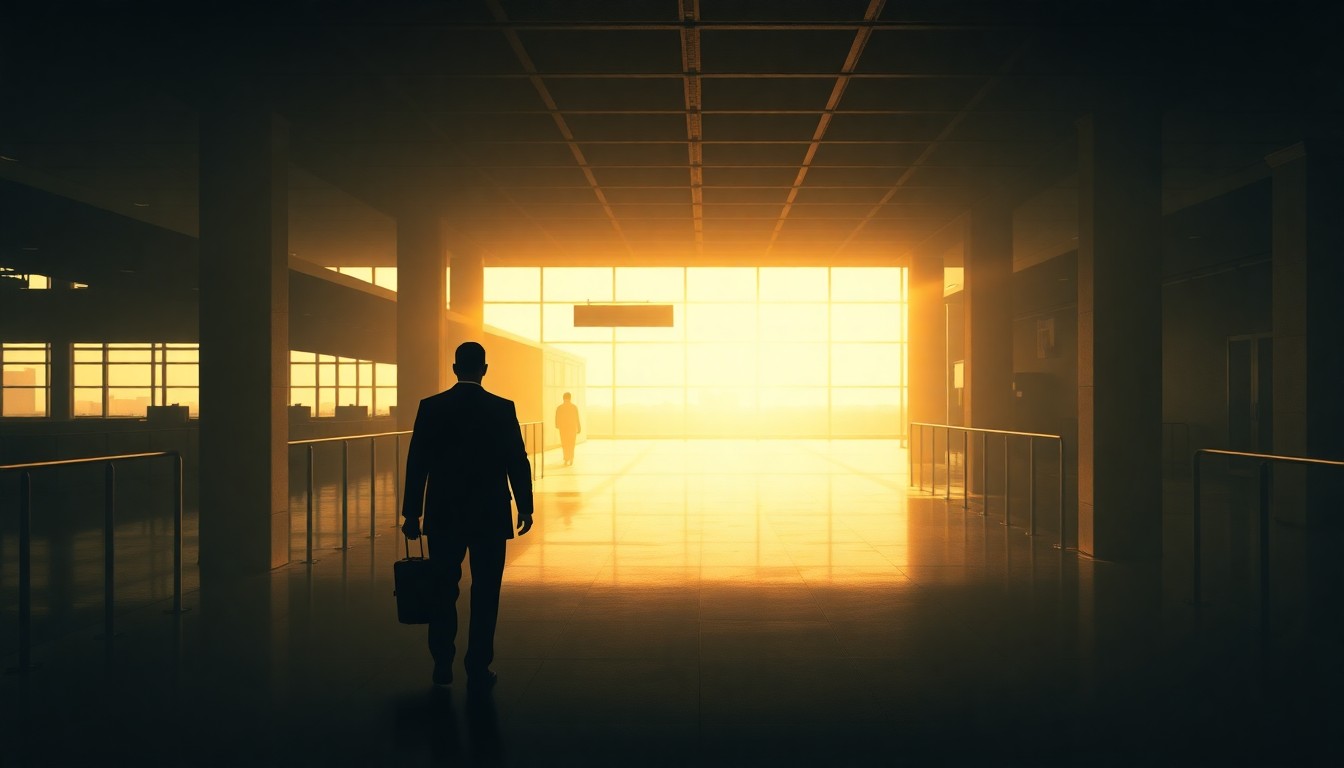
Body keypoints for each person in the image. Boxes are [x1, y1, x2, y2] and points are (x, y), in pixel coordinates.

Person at [401, 341, 534, 691]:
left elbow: (418, 464)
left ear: (455, 368)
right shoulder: (501, 408)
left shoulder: (431, 408)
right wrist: (525, 505)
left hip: (444, 513)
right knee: (486, 590)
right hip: (489, 512)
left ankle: (442, 663)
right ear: (484, 369)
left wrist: (412, 513)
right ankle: (478, 666)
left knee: (443, 588)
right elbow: (516, 460)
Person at [555, 391, 581, 467]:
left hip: (563, 428)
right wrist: (579, 427)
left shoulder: (559, 407)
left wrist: (557, 425)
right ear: (570, 398)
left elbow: (557, 418)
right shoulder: (574, 407)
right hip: (572, 428)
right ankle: (571, 458)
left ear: (563, 398)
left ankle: (566, 458)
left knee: (565, 443)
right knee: (572, 443)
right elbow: (577, 418)